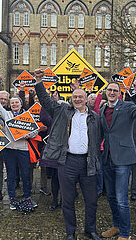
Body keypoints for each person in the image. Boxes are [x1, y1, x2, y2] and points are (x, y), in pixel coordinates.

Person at [34, 68, 102, 240]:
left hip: (88, 163)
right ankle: (70, 232)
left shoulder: (94, 117)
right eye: (75, 97)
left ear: (87, 99)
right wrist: (39, 81)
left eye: (81, 97)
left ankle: (90, 229)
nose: (78, 99)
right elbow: (46, 101)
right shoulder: (62, 111)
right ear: (71, 99)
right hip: (67, 162)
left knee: (92, 200)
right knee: (68, 200)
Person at [99, 81, 136, 240]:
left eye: (115, 90)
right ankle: (116, 226)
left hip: (123, 158)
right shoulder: (102, 109)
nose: (112, 93)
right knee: (111, 196)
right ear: (106, 92)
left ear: (119, 93)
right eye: (110, 90)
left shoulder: (127, 106)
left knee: (121, 198)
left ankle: (125, 233)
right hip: (107, 158)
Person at [0, 80, 38, 213]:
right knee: (11, 175)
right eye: (12, 103)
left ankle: (27, 197)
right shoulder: (7, 115)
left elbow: (35, 130)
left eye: (16, 102)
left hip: (23, 149)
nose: (14, 104)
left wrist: (28, 136)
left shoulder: (27, 116)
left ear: (21, 104)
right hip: (9, 149)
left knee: (25, 174)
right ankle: (12, 199)